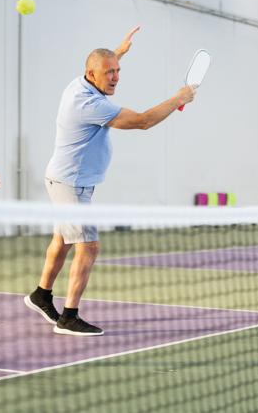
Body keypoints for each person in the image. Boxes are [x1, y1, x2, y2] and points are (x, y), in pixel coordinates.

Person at [24, 26, 196, 336]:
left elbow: (103, 61)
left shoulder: (78, 83)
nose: (115, 77)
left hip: (65, 179)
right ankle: (69, 316)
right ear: (91, 74)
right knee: (88, 246)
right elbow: (143, 122)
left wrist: (119, 50)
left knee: (63, 240)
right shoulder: (90, 104)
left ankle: (41, 295)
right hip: (71, 184)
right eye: (108, 73)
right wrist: (178, 98)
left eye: (117, 71)